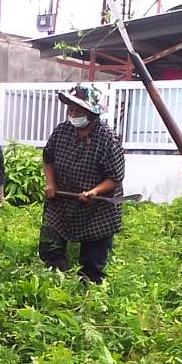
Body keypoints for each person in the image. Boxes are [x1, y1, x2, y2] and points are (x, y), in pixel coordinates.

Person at [39, 83, 125, 282]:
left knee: (92, 263)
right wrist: (50, 183)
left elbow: (115, 178)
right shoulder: (62, 131)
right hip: (61, 201)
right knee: (50, 247)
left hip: (98, 208)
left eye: (78, 110)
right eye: (70, 109)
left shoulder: (108, 139)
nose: (73, 114)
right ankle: (55, 282)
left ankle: (88, 291)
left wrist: (94, 192)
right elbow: (48, 158)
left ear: (92, 114)